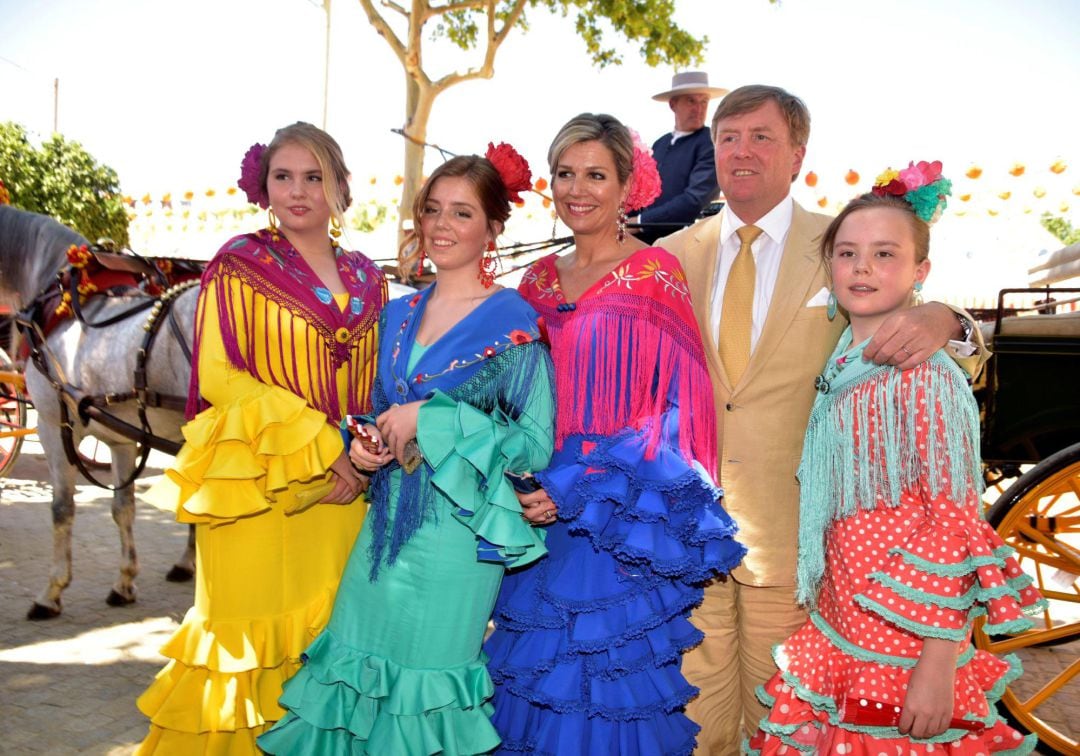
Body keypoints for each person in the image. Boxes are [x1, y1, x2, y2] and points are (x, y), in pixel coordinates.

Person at [658, 85, 987, 754]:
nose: (741, 150)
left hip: (799, 551)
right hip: (690, 543)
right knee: (694, 728)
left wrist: (949, 319)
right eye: (728, 137)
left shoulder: (843, 244)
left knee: (787, 729)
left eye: (761, 136)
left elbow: (919, 333)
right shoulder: (674, 254)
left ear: (798, 153)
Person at [257, 145, 556, 755]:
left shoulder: (515, 322)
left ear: (493, 227)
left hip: (457, 541)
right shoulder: (397, 314)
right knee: (356, 689)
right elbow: (375, 409)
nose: (442, 226)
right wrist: (364, 447)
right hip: (383, 530)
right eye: (433, 210)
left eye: (463, 213)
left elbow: (533, 446)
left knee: (424, 701)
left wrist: (434, 417)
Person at [747, 167, 1044, 754]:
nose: (862, 267)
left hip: (903, 636)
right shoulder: (845, 354)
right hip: (844, 617)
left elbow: (953, 521)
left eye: (885, 254)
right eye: (849, 253)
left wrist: (936, 666)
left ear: (921, 272)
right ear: (829, 266)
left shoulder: (924, 376)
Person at [484, 112, 747, 755]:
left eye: (595, 174)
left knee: (603, 694)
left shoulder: (654, 275)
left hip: (613, 526)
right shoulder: (536, 281)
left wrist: (576, 483)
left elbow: (674, 413)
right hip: (536, 515)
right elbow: (514, 397)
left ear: (627, 185)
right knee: (529, 683)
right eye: (565, 173)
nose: (577, 188)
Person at [136, 122, 387, 753]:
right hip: (256, 488)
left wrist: (360, 461)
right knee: (242, 652)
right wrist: (327, 441)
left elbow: (378, 383)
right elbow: (220, 375)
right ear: (264, 187)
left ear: (340, 187)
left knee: (329, 647)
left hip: (345, 494)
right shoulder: (239, 264)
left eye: (314, 177)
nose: (299, 192)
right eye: (284, 177)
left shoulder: (369, 278)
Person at [635, 71, 726, 243]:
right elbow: (641, 192)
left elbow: (695, 200)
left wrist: (640, 222)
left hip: (687, 243)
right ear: (673, 104)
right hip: (643, 241)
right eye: (691, 101)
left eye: (704, 102)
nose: (698, 109)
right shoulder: (660, 144)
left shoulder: (710, 142)